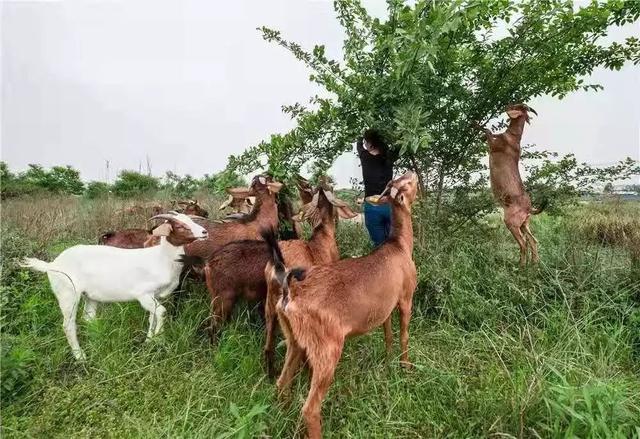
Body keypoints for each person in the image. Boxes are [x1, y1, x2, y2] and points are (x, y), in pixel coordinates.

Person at [357, 128, 399, 246]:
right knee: (395, 244)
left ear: (370, 144)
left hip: (372, 207)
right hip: (389, 205)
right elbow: (400, 145)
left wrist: (361, 137)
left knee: (379, 246)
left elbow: (358, 144)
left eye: (366, 142)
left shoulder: (365, 157)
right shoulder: (388, 157)